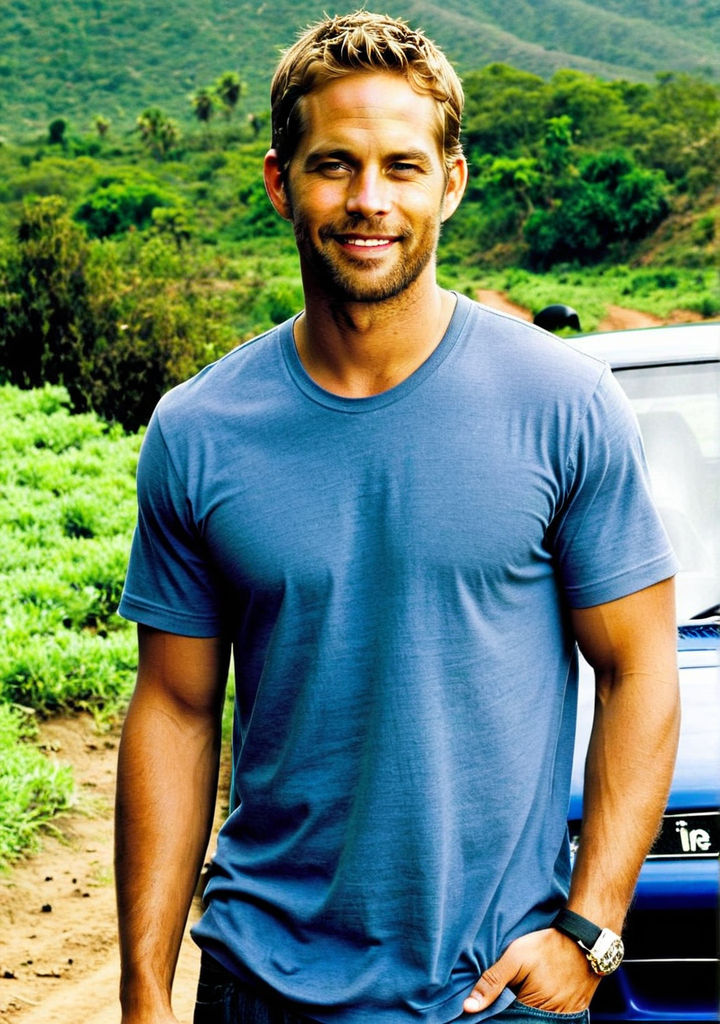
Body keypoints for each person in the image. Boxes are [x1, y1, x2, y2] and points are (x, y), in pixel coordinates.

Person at [115, 11, 680, 1024]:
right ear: (280, 180)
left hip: (496, 997)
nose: (368, 200)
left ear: (450, 183)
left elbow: (639, 669)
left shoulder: (565, 405)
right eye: (334, 165)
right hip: (261, 989)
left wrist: (589, 933)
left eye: (402, 167)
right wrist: (144, 990)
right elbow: (176, 706)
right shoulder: (200, 431)